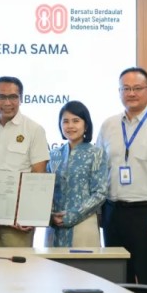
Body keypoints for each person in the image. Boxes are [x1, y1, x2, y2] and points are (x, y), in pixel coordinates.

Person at [97, 67, 147, 284]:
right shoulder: (108, 125)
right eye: (126, 88)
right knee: (117, 277)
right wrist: (99, 210)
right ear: (119, 92)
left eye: (137, 88)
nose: (131, 93)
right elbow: (99, 169)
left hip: (145, 214)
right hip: (112, 212)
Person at [0, 76, 50, 247]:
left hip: (18, 222)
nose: (7, 102)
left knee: (17, 264)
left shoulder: (34, 129)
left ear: (21, 98)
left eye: (13, 97)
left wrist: (28, 215)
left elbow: (38, 174)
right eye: (1, 97)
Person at [45, 100, 108, 247]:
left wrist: (73, 215)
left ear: (86, 125)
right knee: (51, 263)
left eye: (76, 121)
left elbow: (100, 193)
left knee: (83, 262)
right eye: (65, 121)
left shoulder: (96, 154)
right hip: (55, 226)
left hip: (83, 224)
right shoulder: (53, 155)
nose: (70, 126)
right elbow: (46, 190)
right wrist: (50, 216)